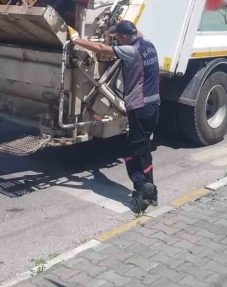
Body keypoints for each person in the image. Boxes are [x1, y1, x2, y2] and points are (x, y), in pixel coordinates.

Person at [68, 20, 160, 212]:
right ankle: (148, 190)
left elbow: (101, 48)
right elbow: (137, 34)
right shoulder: (149, 45)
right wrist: (116, 30)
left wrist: (77, 39)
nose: (117, 40)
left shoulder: (131, 51)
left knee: (132, 151)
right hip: (153, 106)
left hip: (139, 107)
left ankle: (143, 188)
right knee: (142, 147)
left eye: (119, 37)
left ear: (126, 37)